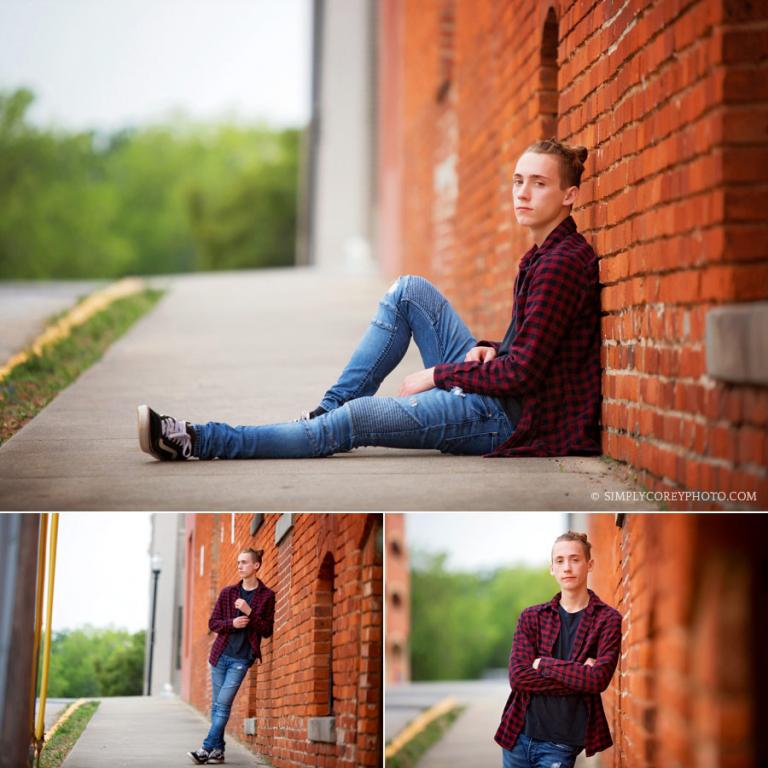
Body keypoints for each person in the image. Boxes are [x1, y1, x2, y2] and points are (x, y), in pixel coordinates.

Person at [137, 138, 601, 462]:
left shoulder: (560, 263)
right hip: (500, 393)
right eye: (519, 180)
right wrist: (491, 349)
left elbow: (524, 374)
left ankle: (200, 440)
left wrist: (439, 373)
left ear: (569, 196)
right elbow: (525, 354)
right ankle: (325, 413)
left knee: (358, 420)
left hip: (507, 420)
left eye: (539, 183)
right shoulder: (542, 254)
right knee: (409, 292)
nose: (522, 193)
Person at [495, 531, 621, 768]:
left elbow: (597, 680)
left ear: (589, 564)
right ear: (552, 568)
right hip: (517, 735)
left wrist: (543, 664)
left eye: (575, 559)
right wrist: (578, 676)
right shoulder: (532, 617)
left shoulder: (607, 619)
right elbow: (518, 677)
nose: (567, 567)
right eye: (560, 561)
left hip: (560, 744)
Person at [188, 548, 275, 765]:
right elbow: (213, 623)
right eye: (238, 562)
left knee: (222, 705)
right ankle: (218, 751)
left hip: (241, 659)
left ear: (256, 565)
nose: (240, 566)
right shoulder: (228, 593)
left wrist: (249, 612)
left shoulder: (267, 596)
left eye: (244, 562)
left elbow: (266, 630)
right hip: (220, 657)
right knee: (219, 705)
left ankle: (206, 748)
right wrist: (232, 623)